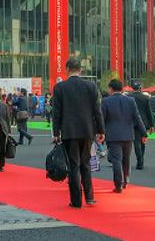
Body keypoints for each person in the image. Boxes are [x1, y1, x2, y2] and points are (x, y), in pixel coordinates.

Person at [52, 58, 105, 208]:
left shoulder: (60, 87)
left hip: (69, 131)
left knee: (73, 165)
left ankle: (76, 201)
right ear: (80, 70)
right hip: (87, 130)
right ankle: (90, 197)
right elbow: (97, 111)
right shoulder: (91, 86)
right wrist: (101, 130)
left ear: (67, 69)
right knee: (85, 163)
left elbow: (57, 112)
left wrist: (56, 132)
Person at [101, 79, 147, 193]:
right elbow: (137, 118)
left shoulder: (106, 101)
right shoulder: (130, 100)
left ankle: (118, 184)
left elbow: (102, 119)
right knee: (126, 159)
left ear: (111, 88)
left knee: (116, 160)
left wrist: (100, 133)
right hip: (128, 135)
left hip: (113, 135)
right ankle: (125, 180)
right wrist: (144, 133)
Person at [128, 82, 154, 169]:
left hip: (131, 121)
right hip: (143, 122)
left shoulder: (128, 97)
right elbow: (149, 112)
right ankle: (141, 160)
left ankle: (139, 161)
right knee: (142, 141)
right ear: (140, 88)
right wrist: (151, 125)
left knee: (135, 142)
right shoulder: (145, 97)